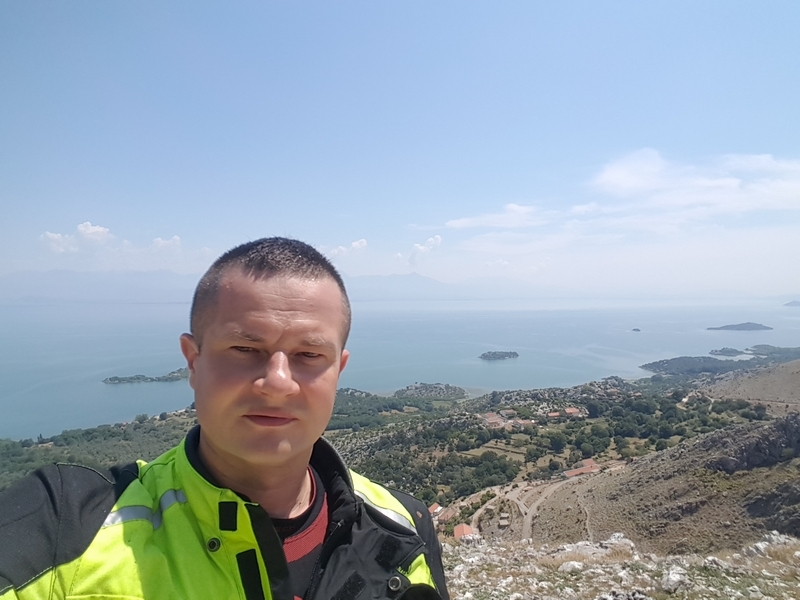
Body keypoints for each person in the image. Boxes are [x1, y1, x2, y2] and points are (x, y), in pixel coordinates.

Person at [0, 238, 449, 600]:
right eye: (245, 349)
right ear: (192, 361)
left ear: (338, 371)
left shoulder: (402, 527)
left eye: (309, 355)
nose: (278, 382)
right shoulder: (66, 525)